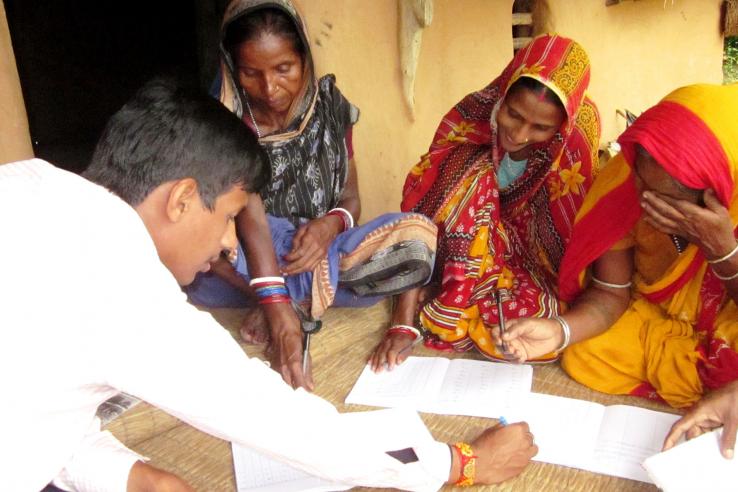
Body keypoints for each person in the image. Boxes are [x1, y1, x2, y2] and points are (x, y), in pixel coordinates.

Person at [0, 78, 538, 491]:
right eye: (232, 215)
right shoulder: (124, 292)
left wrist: (129, 474)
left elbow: (36, 405)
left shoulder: (28, 182)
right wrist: (462, 463)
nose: (231, 243)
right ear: (182, 198)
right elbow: (296, 431)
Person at [185, 0, 437, 390]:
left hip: (322, 252)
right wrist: (269, 298)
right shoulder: (219, 122)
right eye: (251, 73)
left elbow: (351, 199)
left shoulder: (332, 109)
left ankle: (294, 300)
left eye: (283, 69)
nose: (269, 88)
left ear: (304, 57)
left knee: (416, 241)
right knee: (199, 255)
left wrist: (329, 226)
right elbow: (210, 228)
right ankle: (281, 301)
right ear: (233, 67)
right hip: (244, 263)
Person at [497, 83, 738, 410]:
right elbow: (611, 292)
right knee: (585, 351)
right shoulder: (624, 182)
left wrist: (722, 250)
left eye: (666, 200)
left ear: (718, 192)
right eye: (641, 179)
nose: (643, 199)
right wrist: (559, 332)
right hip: (660, 318)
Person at [369, 34, 601, 371]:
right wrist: (402, 323)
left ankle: (451, 294)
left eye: (541, 128)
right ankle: (440, 287)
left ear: (562, 127)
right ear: (503, 93)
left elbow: (571, 239)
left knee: (535, 327)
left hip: (530, 265)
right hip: (461, 252)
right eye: (513, 114)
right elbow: (423, 214)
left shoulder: (575, 141)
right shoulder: (471, 116)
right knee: (466, 171)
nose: (519, 135)